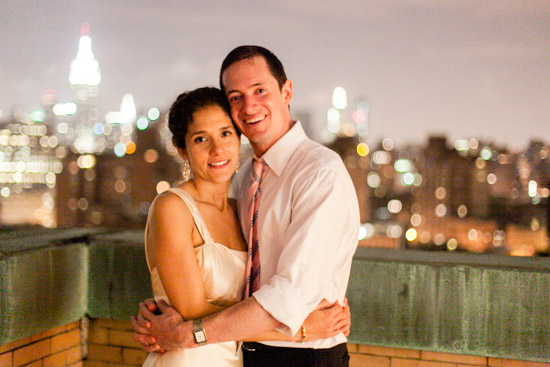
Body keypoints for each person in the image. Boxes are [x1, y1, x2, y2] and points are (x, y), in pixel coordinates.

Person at [133, 46, 360, 367]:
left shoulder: (319, 172)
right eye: (236, 96)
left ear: (287, 91)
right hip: (244, 353)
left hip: (304, 359)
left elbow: (291, 296)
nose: (249, 105)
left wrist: (184, 332)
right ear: (182, 150)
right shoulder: (243, 183)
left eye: (260, 90)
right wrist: (163, 315)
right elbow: (198, 302)